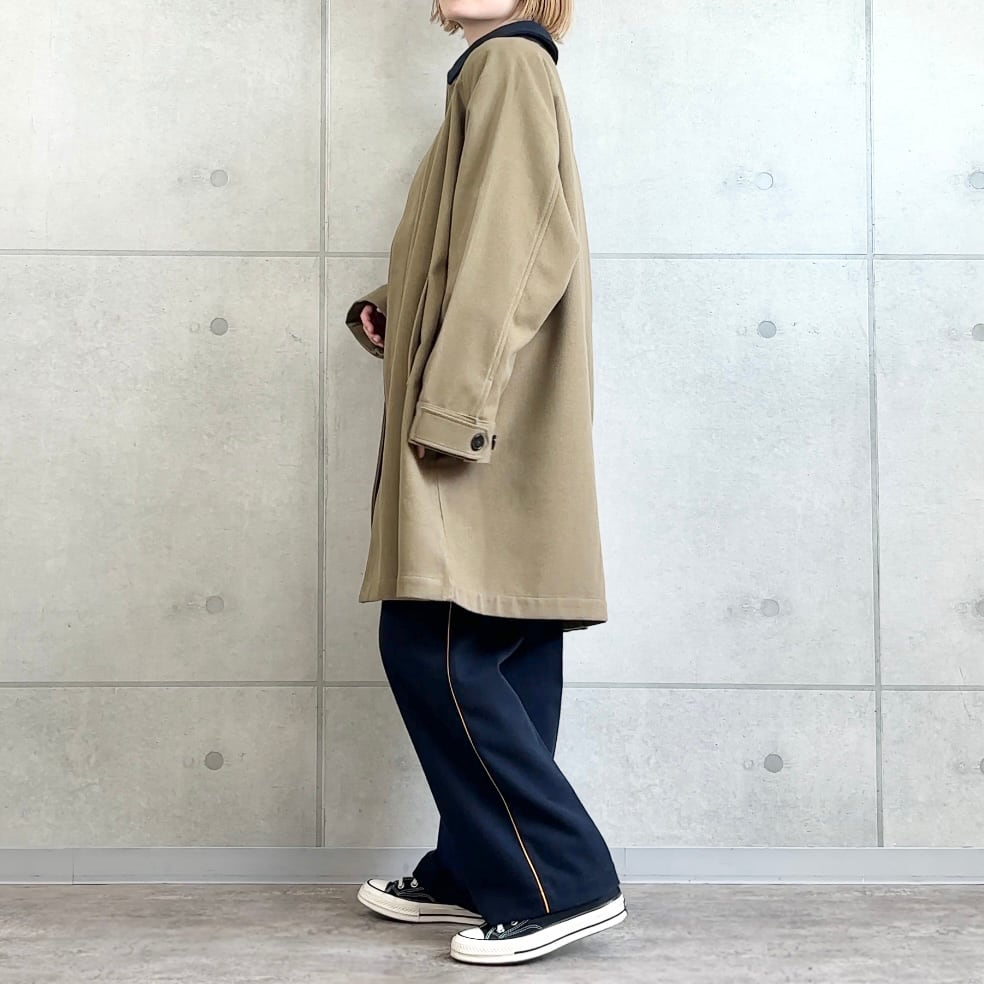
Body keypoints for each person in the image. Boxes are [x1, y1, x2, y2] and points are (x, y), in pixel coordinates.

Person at [343, 0, 625, 966]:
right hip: (504, 415)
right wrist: (394, 305)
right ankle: (478, 867)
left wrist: (455, 405)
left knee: (435, 641)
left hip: (483, 416)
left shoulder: (507, 64)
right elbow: (474, 242)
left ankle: (563, 880)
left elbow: (521, 249)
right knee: (507, 642)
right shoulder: (501, 69)